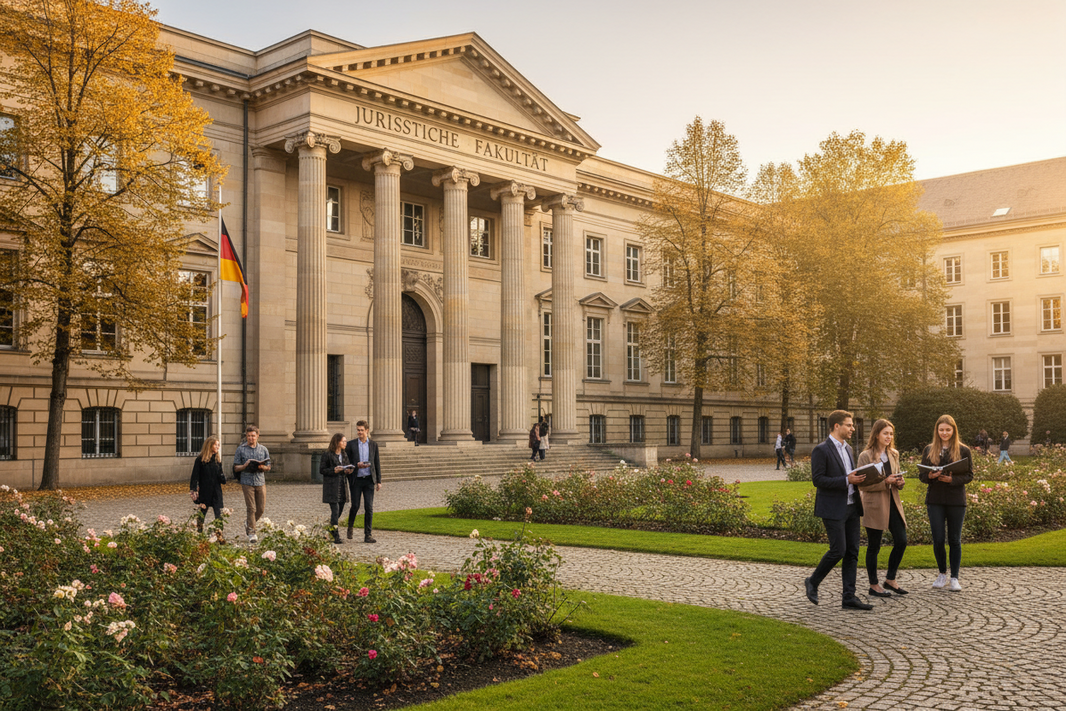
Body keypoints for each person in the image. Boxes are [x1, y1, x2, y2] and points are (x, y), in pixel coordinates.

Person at [803, 409, 872, 610]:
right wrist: (846, 480)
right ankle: (813, 581)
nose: (853, 428)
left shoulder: (848, 449)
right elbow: (818, 480)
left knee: (852, 552)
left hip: (852, 506)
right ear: (836, 426)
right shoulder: (821, 450)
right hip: (833, 508)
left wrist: (862, 478)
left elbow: (850, 476)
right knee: (838, 550)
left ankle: (848, 597)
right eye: (849, 425)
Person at [918, 414, 973, 592]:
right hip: (935, 499)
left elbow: (969, 475)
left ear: (953, 430)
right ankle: (942, 573)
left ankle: (954, 577)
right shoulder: (929, 449)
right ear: (937, 431)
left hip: (956, 500)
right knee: (938, 539)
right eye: (941, 430)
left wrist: (952, 480)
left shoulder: (963, 450)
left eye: (948, 430)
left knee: (954, 539)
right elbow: (922, 476)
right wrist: (930, 475)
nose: (944, 433)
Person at [856, 419, 908, 597]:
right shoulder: (865, 456)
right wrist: (885, 482)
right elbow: (862, 485)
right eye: (885, 433)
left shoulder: (894, 454)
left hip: (893, 502)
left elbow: (897, 476)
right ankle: (873, 585)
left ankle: (890, 579)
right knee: (874, 546)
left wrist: (900, 482)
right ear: (877, 434)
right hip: (875, 504)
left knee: (901, 540)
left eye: (891, 434)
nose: (889, 437)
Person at [344, 420, 382, 543]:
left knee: (369, 508)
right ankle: (350, 526)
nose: (359, 432)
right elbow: (346, 462)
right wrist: (357, 465)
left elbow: (376, 463)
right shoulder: (351, 445)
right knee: (355, 505)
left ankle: (368, 535)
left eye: (361, 430)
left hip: (369, 480)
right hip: (356, 480)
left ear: (367, 430)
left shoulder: (373, 445)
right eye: (358, 430)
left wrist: (379, 481)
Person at [233, 424, 271, 544]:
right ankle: (252, 532)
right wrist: (244, 466)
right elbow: (235, 467)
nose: (251, 438)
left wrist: (263, 467)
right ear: (246, 436)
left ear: (257, 436)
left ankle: (249, 522)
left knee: (260, 509)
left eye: (253, 436)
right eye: (249, 436)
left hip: (260, 481)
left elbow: (269, 466)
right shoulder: (241, 449)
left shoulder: (263, 449)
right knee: (251, 508)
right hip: (247, 481)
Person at [189, 436, 226, 534]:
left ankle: (219, 535)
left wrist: (222, 476)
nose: (218, 447)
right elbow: (195, 476)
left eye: (218, 445)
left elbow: (222, 478)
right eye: (216, 445)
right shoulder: (200, 460)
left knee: (219, 514)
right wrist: (193, 489)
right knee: (202, 514)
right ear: (209, 445)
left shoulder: (217, 460)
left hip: (216, 491)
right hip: (205, 490)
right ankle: (199, 533)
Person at [319, 433, 351, 544]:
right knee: (335, 510)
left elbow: (347, 466)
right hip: (332, 486)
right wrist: (334, 470)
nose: (345, 443)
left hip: (342, 485)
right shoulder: (327, 455)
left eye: (345, 441)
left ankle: (330, 529)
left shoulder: (344, 454)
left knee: (340, 510)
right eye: (343, 441)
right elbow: (322, 470)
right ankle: (335, 536)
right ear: (337, 442)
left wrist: (348, 470)